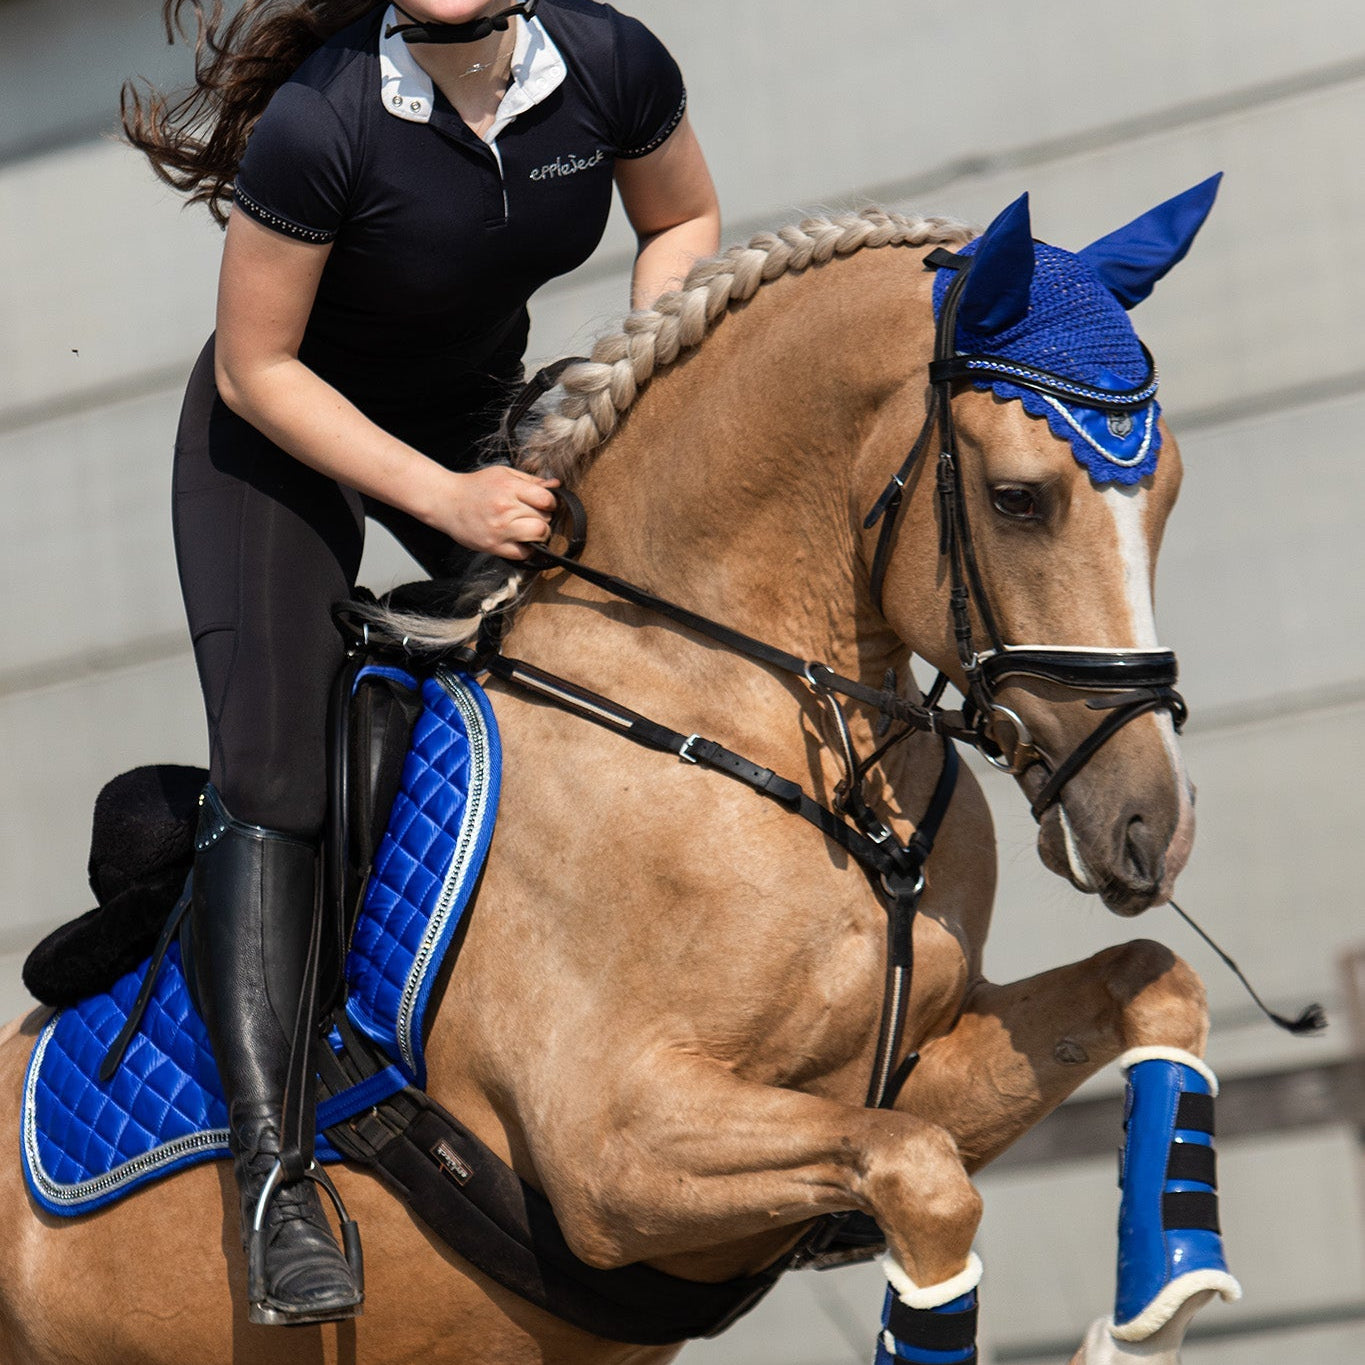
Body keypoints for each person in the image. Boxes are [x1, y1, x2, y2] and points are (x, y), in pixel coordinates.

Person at [123, 0, 720, 1325]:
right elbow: (255, 369)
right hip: (275, 442)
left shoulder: (612, 64)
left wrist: (638, 374)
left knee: (630, 658)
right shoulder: (321, 124)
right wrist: (449, 503)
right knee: (278, 772)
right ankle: (273, 1178)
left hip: (466, 409)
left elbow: (678, 223)